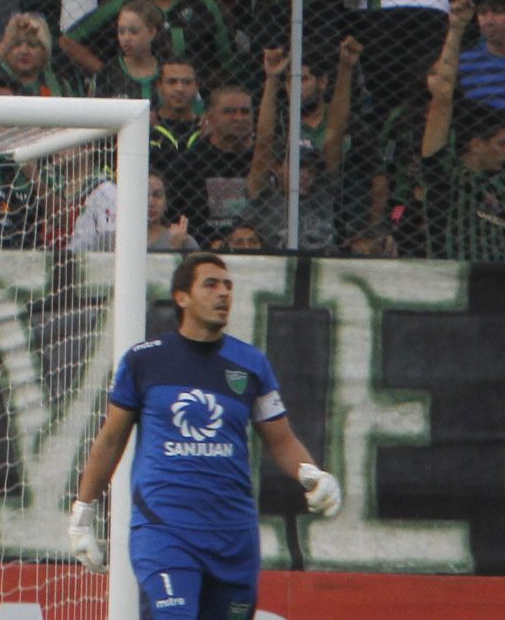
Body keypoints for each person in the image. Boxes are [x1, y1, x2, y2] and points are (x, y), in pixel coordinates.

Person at [69, 250, 343, 604]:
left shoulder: (250, 364)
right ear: (182, 297)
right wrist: (83, 513)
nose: (223, 293)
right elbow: (110, 440)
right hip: (164, 529)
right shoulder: (145, 360)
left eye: (228, 286)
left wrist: (314, 474)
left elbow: (281, 439)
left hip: (233, 535)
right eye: (211, 285)